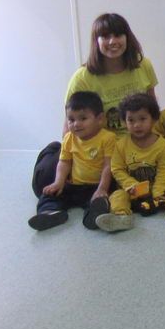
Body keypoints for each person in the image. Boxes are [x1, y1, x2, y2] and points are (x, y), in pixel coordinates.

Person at [32, 13, 157, 204]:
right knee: (45, 180)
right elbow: (69, 122)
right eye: (105, 37)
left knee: (140, 179)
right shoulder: (82, 77)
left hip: (131, 145)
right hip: (93, 147)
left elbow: (153, 108)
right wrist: (69, 158)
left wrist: (156, 144)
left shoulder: (143, 65)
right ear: (96, 41)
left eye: (118, 35)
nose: (112, 41)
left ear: (127, 37)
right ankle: (51, 150)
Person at [95, 93, 165, 232]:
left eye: (142, 119)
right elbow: (117, 169)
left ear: (154, 119)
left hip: (157, 188)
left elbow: (164, 169)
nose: (137, 125)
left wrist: (158, 190)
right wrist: (130, 185)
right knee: (117, 196)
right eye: (131, 120)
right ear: (124, 122)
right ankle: (121, 217)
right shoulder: (121, 145)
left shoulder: (162, 145)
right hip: (132, 189)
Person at [29, 91, 116, 231]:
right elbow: (64, 162)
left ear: (100, 119)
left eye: (83, 118)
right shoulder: (69, 138)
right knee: (49, 195)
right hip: (74, 185)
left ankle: (94, 216)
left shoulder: (107, 138)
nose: (76, 124)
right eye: (71, 119)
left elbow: (108, 166)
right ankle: (51, 213)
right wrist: (59, 182)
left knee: (102, 200)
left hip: (95, 186)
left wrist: (102, 189)